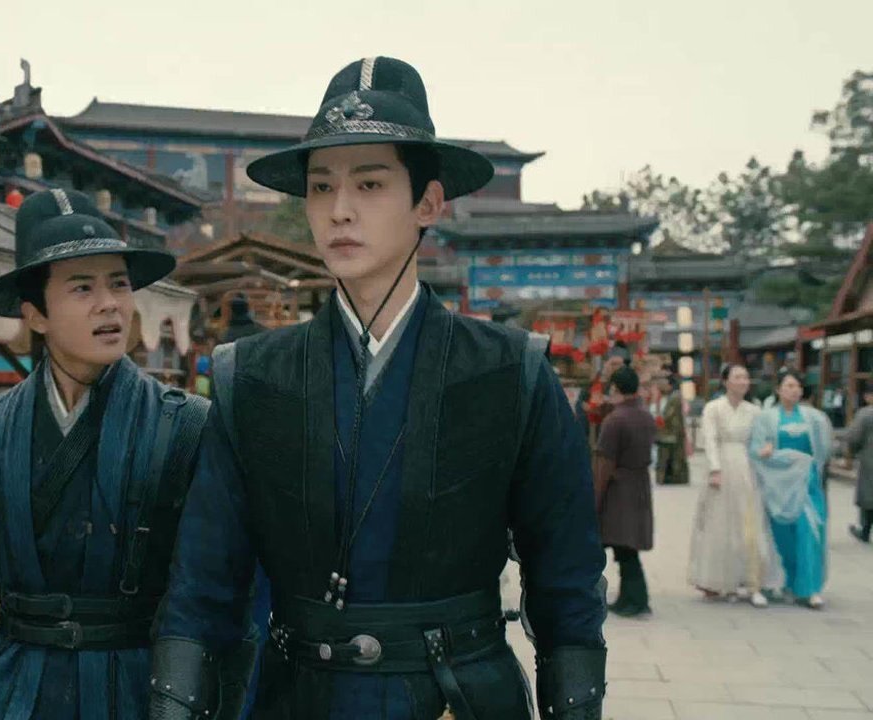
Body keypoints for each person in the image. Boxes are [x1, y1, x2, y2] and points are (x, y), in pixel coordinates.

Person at [149, 57, 607, 720]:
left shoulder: (512, 372)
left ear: (428, 203)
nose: (339, 211)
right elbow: (202, 584)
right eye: (321, 187)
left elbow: (567, 583)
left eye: (369, 184)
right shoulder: (250, 377)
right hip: (299, 697)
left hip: (458, 696)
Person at [0, 189, 231, 719]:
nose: (109, 304)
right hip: (13, 692)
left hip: (134, 690)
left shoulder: (186, 426)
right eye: (82, 287)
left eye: (118, 284)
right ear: (35, 314)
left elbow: (208, 599)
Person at [687, 364, 782, 606]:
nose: (743, 381)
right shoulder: (714, 408)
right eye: (738, 377)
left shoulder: (754, 410)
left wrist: (766, 449)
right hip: (723, 465)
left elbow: (761, 438)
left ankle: (752, 581)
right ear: (726, 381)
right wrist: (715, 468)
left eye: (746, 377)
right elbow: (709, 439)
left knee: (750, 524)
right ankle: (719, 580)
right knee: (719, 524)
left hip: (747, 467)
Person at [749, 370, 834, 610]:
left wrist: (805, 465)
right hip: (778, 485)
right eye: (788, 385)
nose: (793, 390)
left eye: (797, 386)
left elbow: (824, 450)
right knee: (782, 536)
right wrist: (765, 452)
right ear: (778, 390)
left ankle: (810, 589)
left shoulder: (815, 418)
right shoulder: (766, 418)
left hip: (807, 484)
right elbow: (755, 449)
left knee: (810, 532)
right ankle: (788, 581)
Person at [593, 364, 656, 618]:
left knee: (624, 546)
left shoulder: (615, 420)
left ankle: (636, 599)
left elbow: (604, 464)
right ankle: (628, 597)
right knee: (627, 546)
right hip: (639, 485)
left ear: (615, 389)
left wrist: (595, 499)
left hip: (619, 490)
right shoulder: (646, 416)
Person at [845, 382, 873, 543]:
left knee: (868, 496)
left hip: (870, 462)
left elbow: (853, 438)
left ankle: (865, 530)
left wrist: (852, 451)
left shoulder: (865, 414)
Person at [653, 371, 690, 485]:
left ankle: (669, 478)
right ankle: (671, 477)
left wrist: (657, 422)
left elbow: (667, 416)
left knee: (670, 458)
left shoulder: (675, 396)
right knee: (673, 458)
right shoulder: (669, 396)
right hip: (671, 432)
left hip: (671, 433)